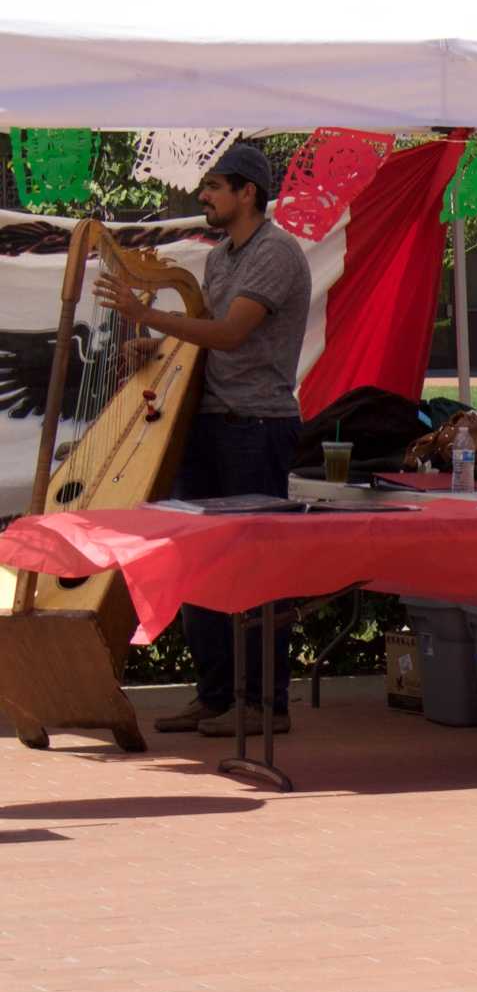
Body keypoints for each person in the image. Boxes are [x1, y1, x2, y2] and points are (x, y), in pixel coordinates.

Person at [93, 144, 313, 738]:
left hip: (256, 427)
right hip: (208, 421)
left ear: (248, 193)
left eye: (215, 186)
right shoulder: (219, 260)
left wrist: (149, 313)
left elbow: (231, 333)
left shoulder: (276, 252)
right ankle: (216, 697)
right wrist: (156, 347)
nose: (205, 197)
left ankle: (266, 704)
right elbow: (201, 339)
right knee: (198, 565)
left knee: (255, 568)